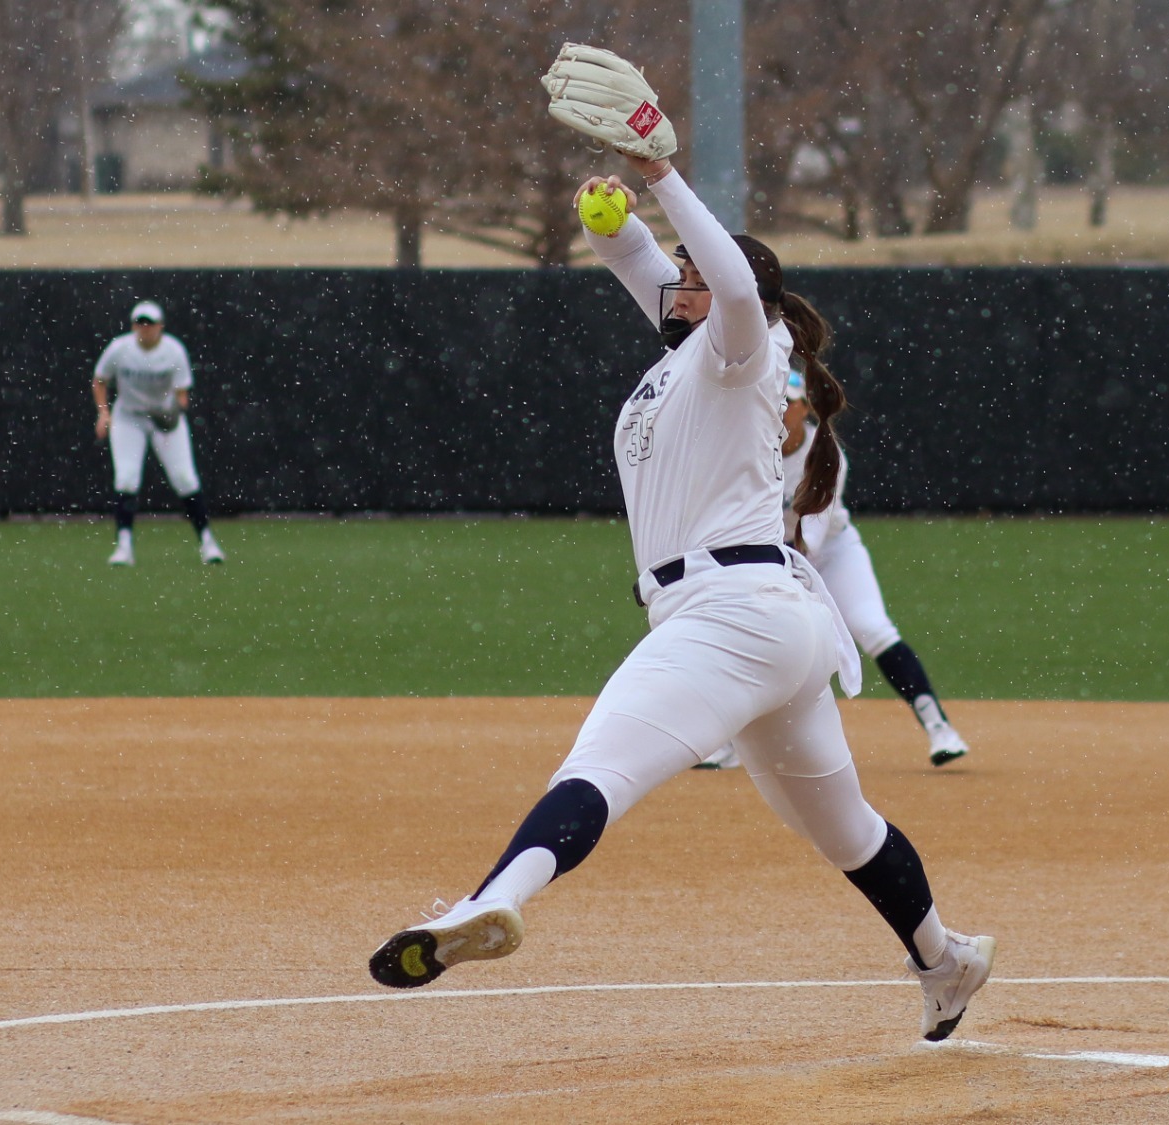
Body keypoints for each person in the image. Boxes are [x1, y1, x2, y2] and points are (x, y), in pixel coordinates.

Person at [366, 44, 994, 1043]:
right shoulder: (688, 357)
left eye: (693, 272)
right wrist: (605, 211)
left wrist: (660, 168)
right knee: (840, 828)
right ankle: (947, 958)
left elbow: (733, 289)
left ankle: (489, 901)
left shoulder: (744, 347)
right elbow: (635, 260)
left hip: (733, 611)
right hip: (767, 618)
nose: (680, 281)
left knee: (601, 764)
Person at [697, 370, 971, 769]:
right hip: (771, 557)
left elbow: (814, 535)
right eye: (775, 403)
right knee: (749, 638)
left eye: (789, 403)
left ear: (806, 409)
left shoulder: (826, 455)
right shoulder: (747, 451)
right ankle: (730, 743)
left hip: (830, 553)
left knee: (872, 627)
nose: (781, 411)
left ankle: (939, 727)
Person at [92, 301, 225, 566]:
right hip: (129, 417)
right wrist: (104, 413)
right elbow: (100, 379)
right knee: (127, 478)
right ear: (133, 326)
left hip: (165, 419)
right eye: (139, 323)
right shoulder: (120, 349)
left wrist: (173, 411)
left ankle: (208, 543)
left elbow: (182, 394)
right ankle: (124, 547)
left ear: (160, 326)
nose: (145, 329)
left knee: (185, 479)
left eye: (150, 324)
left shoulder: (173, 351)